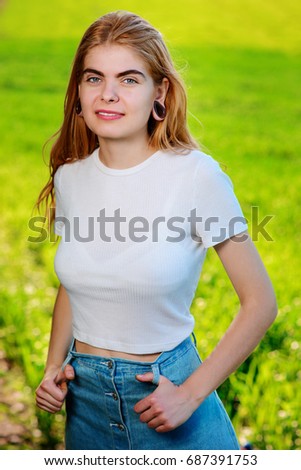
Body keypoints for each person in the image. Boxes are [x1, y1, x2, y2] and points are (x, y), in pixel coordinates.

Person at [35, 10, 277, 450]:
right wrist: (54, 367)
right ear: (78, 91)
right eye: (94, 79)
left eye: (128, 80)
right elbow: (77, 284)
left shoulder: (196, 177)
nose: (107, 95)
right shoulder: (71, 178)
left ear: (159, 91)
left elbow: (260, 303)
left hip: (166, 395)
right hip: (84, 403)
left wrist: (189, 395)